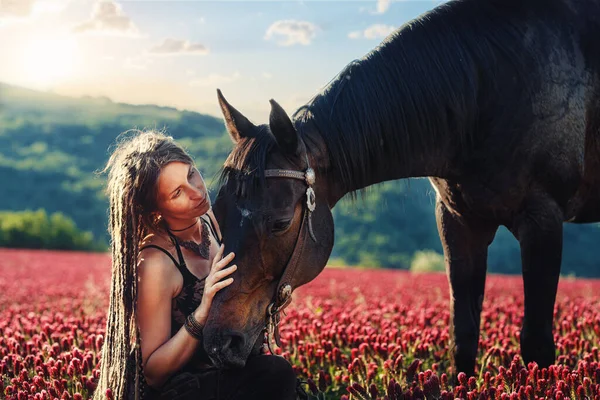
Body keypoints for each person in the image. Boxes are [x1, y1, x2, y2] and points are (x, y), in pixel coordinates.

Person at [93, 130, 299, 400]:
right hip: (182, 388)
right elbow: (153, 372)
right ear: (156, 210)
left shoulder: (210, 220)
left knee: (276, 373)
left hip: (223, 369)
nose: (197, 191)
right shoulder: (156, 263)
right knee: (275, 374)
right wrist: (202, 312)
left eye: (191, 174)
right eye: (178, 192)